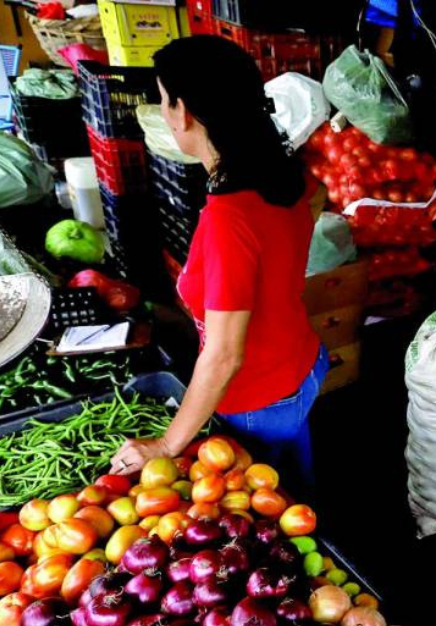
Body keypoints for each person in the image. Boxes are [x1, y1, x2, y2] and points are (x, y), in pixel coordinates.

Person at [111, 36, 328, 490]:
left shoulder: (230, 217)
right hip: (303, 363)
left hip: (258, 398)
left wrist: (167, 445)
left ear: (184, 112)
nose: (165, 113)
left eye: (165, 100)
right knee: (296, 482)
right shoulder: (282, 174)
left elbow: (225, 356)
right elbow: (315, 201)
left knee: (274, 509)